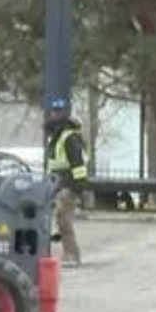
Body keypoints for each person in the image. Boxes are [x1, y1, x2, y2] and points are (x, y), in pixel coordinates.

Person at [44, 96, 89, 267]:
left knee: (64, 220)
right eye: (53, 111)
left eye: (58, 112)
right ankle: (69, 253)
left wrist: (77, 188)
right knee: (61, 219)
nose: (54, 115)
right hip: (60, 185)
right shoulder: (58, 136)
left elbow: (78, 164)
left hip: (68, 186)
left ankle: (72, 255)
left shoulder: (68, 137)